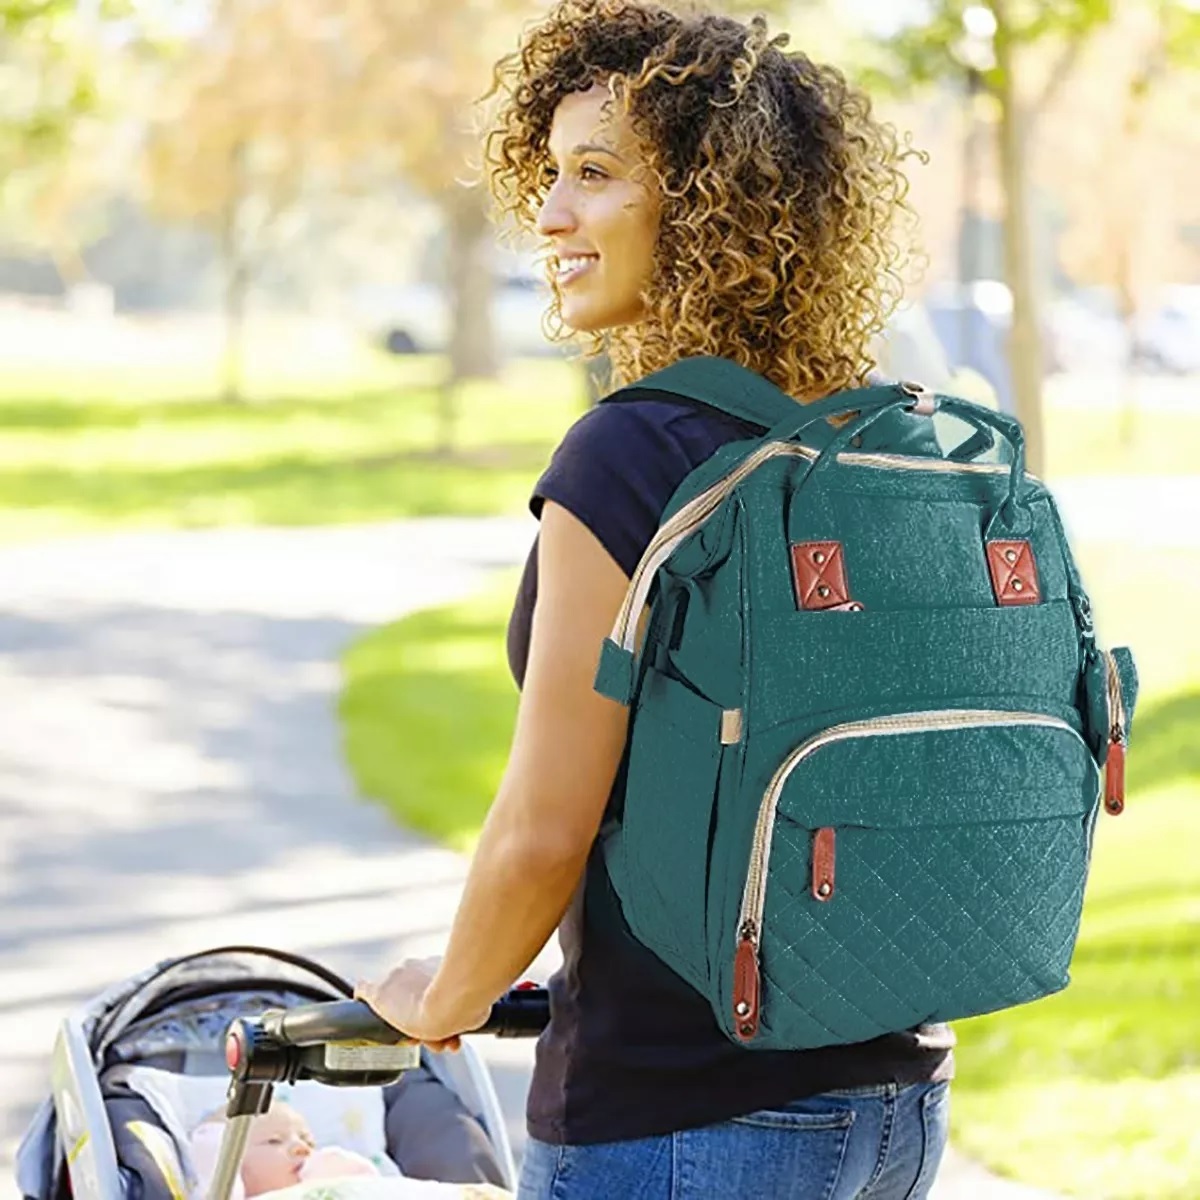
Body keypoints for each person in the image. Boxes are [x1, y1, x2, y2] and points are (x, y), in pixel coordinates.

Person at [356, 2, 954, 1196]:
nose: (552, 213)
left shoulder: (628, 460)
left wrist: (444, 994)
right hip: (889, 1107)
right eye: (552, 173)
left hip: (680, 1122)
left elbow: (541, 834)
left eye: (596, 175)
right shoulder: (872, 441)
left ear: (702, 206)